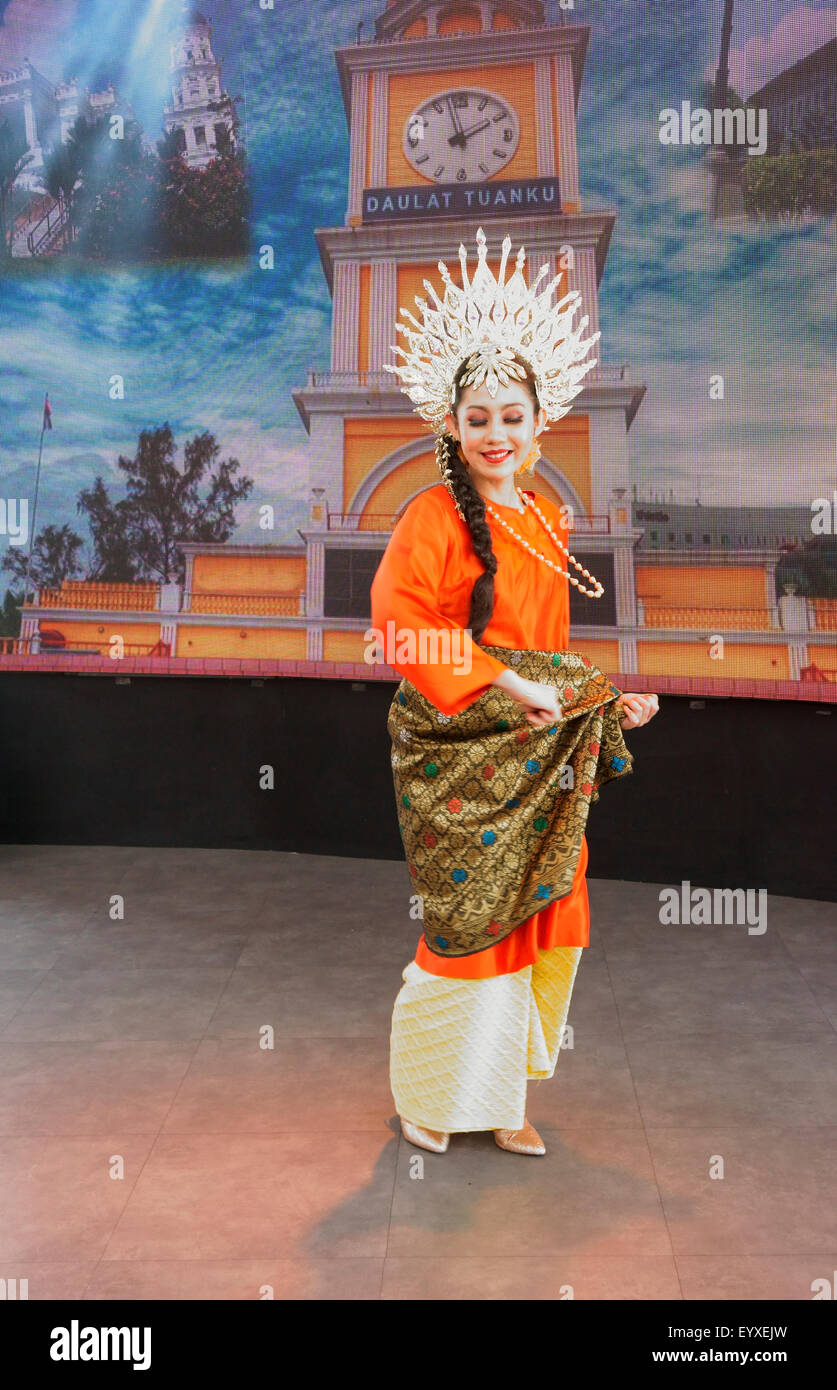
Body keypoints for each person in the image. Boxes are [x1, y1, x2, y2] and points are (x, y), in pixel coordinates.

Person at [370, 227, 659, 1156]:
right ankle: (428, 1095)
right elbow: (403, 629)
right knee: (464, 923)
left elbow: (555, 653)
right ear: (451, 425)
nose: (497, 433)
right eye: (479, 416)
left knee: (540, 916)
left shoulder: (545, 516)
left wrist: (599, 706)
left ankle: (499, 1100)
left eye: (513, 416)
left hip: (538, 744)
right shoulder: (430, 516)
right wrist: (510, 682)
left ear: (541, 424)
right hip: (459, 745)